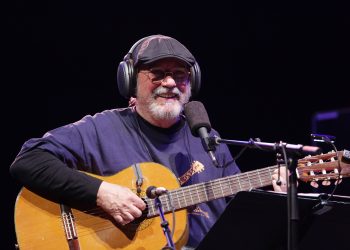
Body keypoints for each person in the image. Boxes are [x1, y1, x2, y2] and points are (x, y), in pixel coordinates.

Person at [10, 34, 286, 249]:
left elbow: (236, 218)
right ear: (130, 80)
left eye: (180, 75)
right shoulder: (100, 129)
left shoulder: (208, 139)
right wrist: (101, 192)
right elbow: (29, 161)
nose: (170, 82)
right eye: (157, 73)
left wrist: (274, 199)